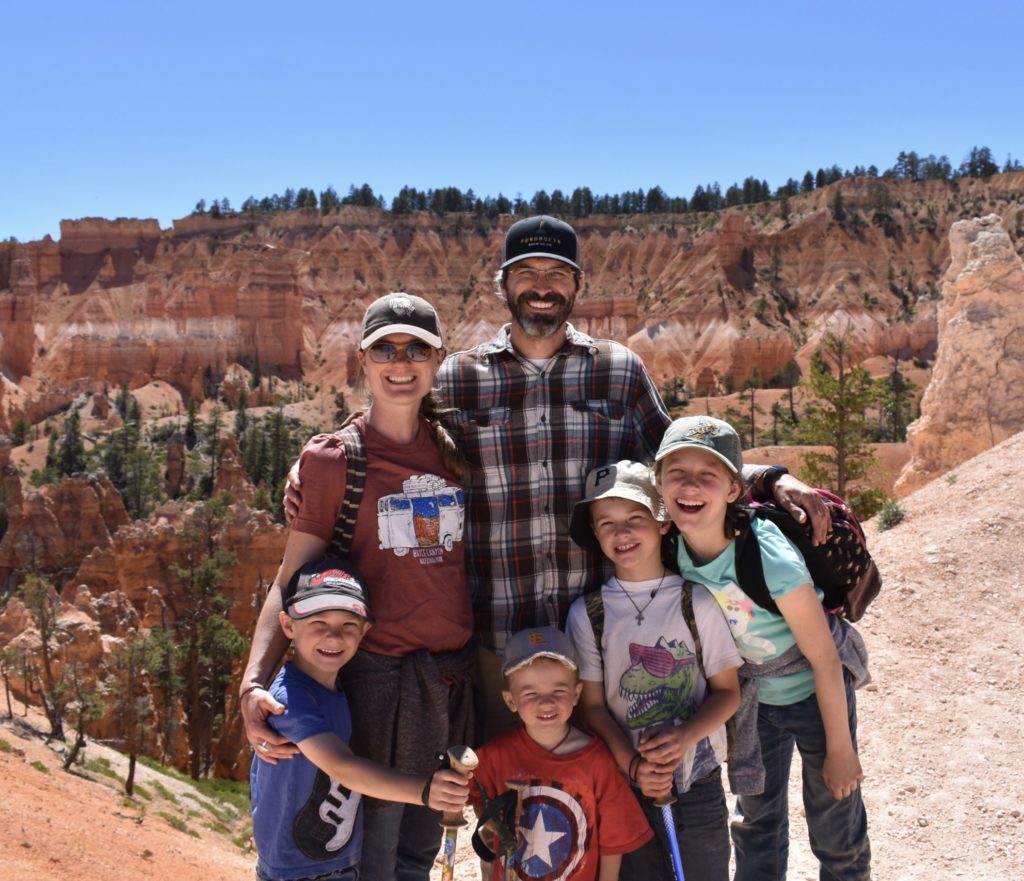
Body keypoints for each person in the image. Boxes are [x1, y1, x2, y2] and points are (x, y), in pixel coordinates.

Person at [283, 216, 832, 739]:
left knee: (609, 790)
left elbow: (680, 458)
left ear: (578, 284)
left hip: (603, 629)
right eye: (526, 273)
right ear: (503, 284)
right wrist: (314, 458)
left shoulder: (618, 370)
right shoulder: (457, 378)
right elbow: (390, 421)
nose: (540, 287)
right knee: (510, 791)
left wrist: (769, 480)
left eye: (556, 274)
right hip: (496, 630)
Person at [240, 292, 476, 881]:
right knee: (371, 856)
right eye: (386, 349)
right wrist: (252, 683)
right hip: (373, 685)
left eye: (416, 348)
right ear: (363, 361)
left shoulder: (462, 450)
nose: (402, 362)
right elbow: (289, 581)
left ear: (437, 358)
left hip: (447, 683)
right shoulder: (334, 460)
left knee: (417, 853)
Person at [653, 416, 871, 881]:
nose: (691, 487)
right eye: (677, 473)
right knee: (756, 825)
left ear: (733, 490)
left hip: (815, 691)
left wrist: (841, 749)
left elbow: (825, 659)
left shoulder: (768, 555)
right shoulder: (673, 549)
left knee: (836, 824)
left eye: (707, 476)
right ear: (659, 483)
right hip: (756, 700)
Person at [565, 460, 742, 881]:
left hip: (697, 778)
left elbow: (728, 693)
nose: (621, 533)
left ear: (663, 520)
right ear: (594, 533)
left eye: (635, 518)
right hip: (624, 785)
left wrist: (683, 738)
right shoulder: (588, 613)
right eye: (606, 523)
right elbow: (591, 708)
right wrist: (635, 768)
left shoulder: (697, 601)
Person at [250, 557, 471, 881]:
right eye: (318, 623)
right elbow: (342, 768)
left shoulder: (335, 688)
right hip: (297, 872)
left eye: (348, 626)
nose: (334, 637)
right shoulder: (289, 701)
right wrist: (423, 791)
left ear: (365, 630)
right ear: (287, 625)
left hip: (334, 865)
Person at [470, 625, 653, 881]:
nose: (546, 702)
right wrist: (490, 821)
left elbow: (614, 838)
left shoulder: (597, 760)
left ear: (577, 693)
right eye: (531, 693)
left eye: (558, 691)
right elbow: (471, 793)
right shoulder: (494, 755)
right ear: (510, 701)